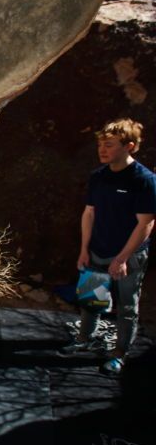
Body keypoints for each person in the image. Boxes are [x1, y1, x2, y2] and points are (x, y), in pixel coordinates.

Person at [65, 118, 156, 375]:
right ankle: (84, 339)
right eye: (100, 145)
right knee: (91, 300)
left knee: (127, 306)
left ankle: (120, 353)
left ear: (129, 146)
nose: (102, 150)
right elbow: (89, 213)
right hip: (97, 250)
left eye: (109, 145)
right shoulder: (99, 177)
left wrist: (123, 258)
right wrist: (84, 249)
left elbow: (146, 224)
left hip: (130, 256)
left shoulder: (144, 180)